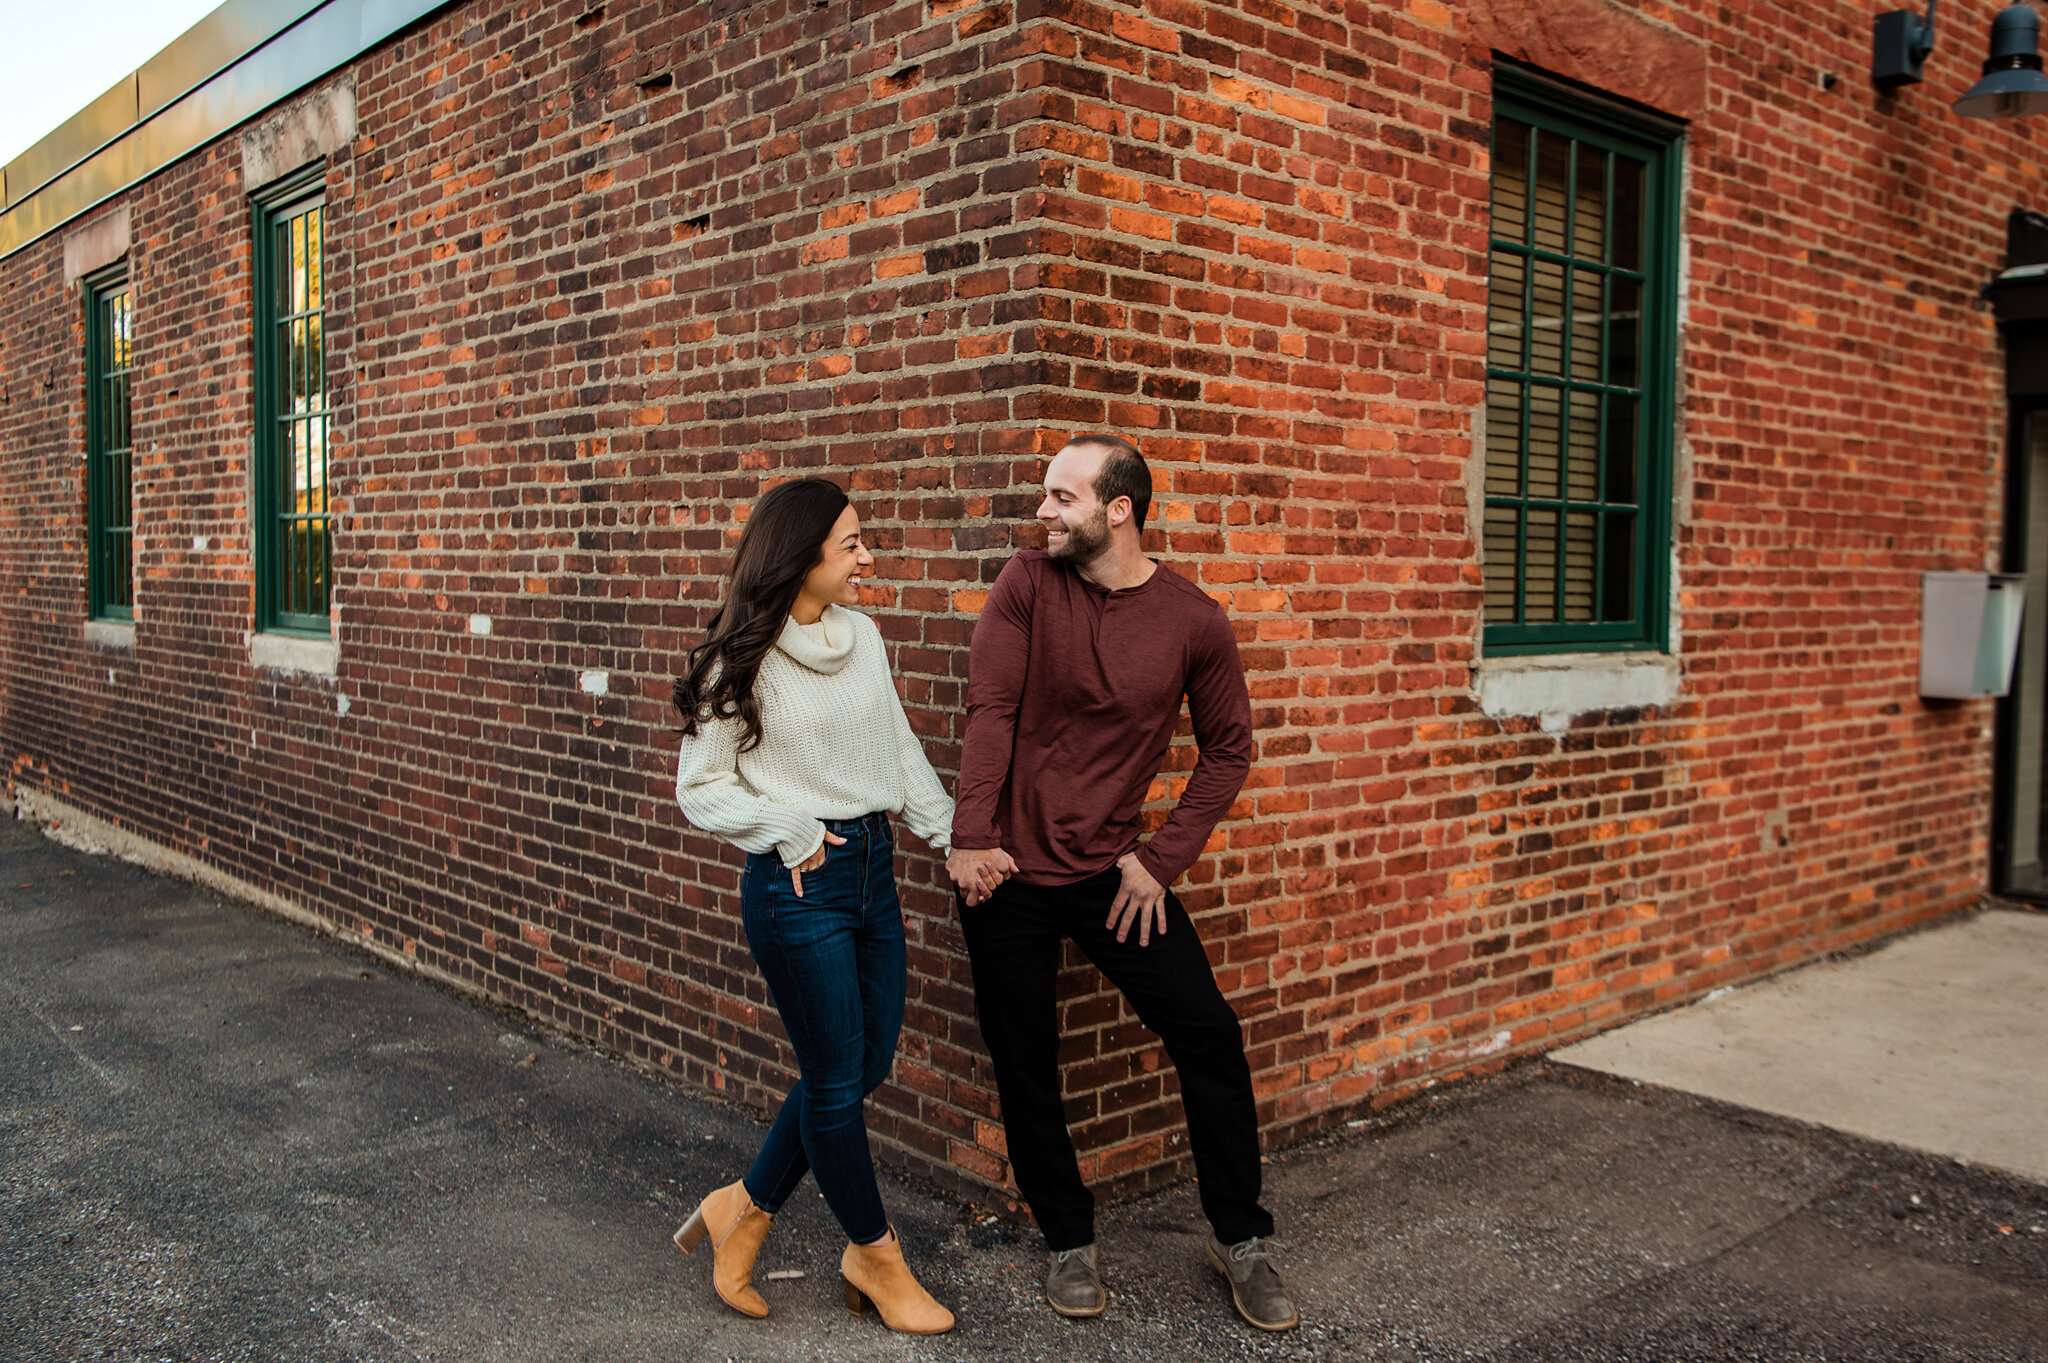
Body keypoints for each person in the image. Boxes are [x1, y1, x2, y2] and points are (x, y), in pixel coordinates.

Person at [945, 434, 1298, 1332]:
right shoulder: (1027, 583)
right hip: (1008, 872)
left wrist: (1161, 856)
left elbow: (1229, 749)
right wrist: (971, 838)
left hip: (1116, 874)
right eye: (1045, 495)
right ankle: (1069, 1240)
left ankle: (1240, 1235)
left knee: (1209, 1034)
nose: (1042, 511)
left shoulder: (1194, 621)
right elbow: (990, 710)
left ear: (1118, 511)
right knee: (1027, 1064)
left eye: (1062, 497)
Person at [671, 476, 963, 1336]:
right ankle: (875, 1255)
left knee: (862, 1065)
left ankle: (744, 1208)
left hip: (873, 869)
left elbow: (898, 751)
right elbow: (702, 789)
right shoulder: (742, 658)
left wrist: (953, 839)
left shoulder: (863, 638)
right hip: (797, 883)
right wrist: (785, 823)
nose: (867, 557)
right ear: (802, 557)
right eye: (852, 544)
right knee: (837, 1079)